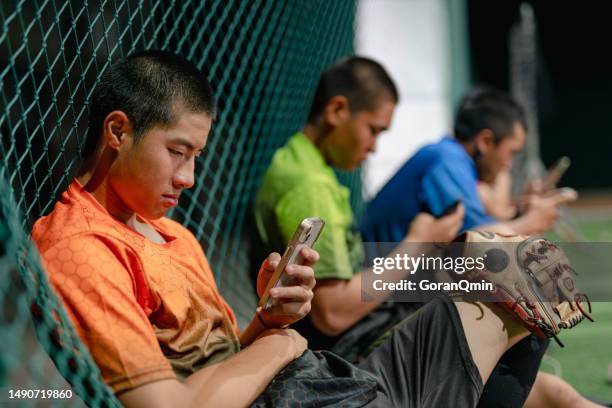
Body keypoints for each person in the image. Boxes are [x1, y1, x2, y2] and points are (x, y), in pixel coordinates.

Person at [32, 51, 591, 408]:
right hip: (329, 363)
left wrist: (266, 323)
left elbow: (224, 354)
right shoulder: (81, 246)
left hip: (324, 376)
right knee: (515, 277)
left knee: (527, 277)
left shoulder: (170, 232)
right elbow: (329, 316)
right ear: (117, 131)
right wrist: (280, 342)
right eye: (178, 152)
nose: (190, 178)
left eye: (197, 155)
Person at [253, 61, 595, 408]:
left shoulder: (308, 167)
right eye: (374, 129)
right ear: (337, 110)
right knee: (513, 285)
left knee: (557, 394)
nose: (374, 146)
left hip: (376, 317)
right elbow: (332, 315)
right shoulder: (310, 186)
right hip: (352, 349)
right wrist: (417, 243)